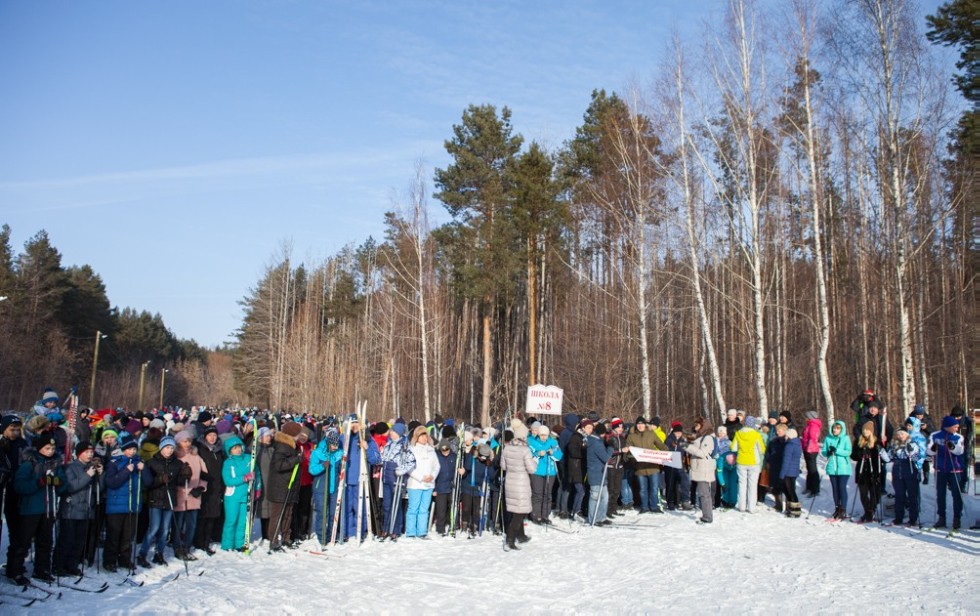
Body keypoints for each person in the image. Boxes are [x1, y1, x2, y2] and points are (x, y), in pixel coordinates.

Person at [6, 434, 69, 584]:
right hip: (30, 509)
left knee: (45, 542)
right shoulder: (30, 463)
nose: (50, 451)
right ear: (40, 448)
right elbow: (19, 486)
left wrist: (58, 483)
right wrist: (38, 482)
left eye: (53, 448)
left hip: (48, 509)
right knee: (23, 541)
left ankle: (42, 569)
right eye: (47, 448)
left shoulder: (55, 463)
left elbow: (63, 486)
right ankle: (15, 570)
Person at [138, 436, 190, 567]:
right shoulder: (152, 462)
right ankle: (142, 554)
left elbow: (178, 482)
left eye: (172, 448)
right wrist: (160, 479)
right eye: (167, 448)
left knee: (165, 530)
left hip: (169, 500)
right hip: (155, 499)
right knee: (154, 528)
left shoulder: (176, 463)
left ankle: (159, 553)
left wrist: (185, 475)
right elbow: (147, 484)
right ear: (161, 448)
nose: (170, 451)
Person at [54, 441, 102, 576]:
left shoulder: (91, 467)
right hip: (71, 509)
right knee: (66, 540)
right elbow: (71, 487)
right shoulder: (71, 467)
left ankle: (72, 565)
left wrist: (100, 475)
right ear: (79, 453)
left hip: (86, 510)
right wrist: (88, 476)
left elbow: (99, 490)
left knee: (79, 541)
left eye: (91, 452)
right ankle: (58, 565)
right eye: (86, 452)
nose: (89, 455)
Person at [102, 434, 142, 573]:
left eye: (134, 449)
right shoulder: (115, 462)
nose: (132, 452)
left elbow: (147, 481)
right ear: (123, 449)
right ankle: (109, 560)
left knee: (128, 536)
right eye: (129, 449)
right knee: (114, 535)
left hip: (131, 504)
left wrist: (143, 469)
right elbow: (111, 482)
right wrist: (126, 471)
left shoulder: (138, 462)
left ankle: (124, 559)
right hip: (116, 505)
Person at [341, 415, 381, 542]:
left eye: (357, 423)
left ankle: (360, 531)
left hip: (361, 480)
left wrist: (367, 448)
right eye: (352, 423)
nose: (354, 426)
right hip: (346, 480)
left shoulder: (368, 439)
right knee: (346, 508)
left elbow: (376, 459)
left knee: (361, 508)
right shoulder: (343, 439)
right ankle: (348, 532)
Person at [500, 420, 537, 551]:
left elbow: (503, 466)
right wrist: (535, 461)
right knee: (519, 513)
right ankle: (510, 540)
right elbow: (532, 469)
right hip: (521, 484)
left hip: (510, 482)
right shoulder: (525, 450)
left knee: (517, 510)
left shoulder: (507, 448)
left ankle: (521, 535)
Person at [173, 430, 207, 560]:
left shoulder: (196, 456)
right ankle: (177, 547)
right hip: (180, 495)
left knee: (191, 523)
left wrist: (201, 487)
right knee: (178, 523)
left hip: (194, 495)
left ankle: (186, 546)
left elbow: (204, 475)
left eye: (189, 441)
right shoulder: (176, 456)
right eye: (184, 441)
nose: (187, 444)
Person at [268, 422, 302, 550]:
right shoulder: (282, 446)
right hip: (280, 486)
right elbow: (279, 466)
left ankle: (286, 537)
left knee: (288, 513)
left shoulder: (292, 446)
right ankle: (274, 539)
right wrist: (296, 459)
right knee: (278, 514)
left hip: (290, 485)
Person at [0, 415, 27, 571]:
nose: (15, 433)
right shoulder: (2, 443)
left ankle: (14, 564)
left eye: (18, 430)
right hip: (4, 490)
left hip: (17, 491)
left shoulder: (22, 443)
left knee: (17, 530)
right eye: (12, 430)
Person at [378, 422, 413, 540]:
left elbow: (412, 461)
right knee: (386, 505)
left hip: (396, 478)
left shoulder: (405, 445)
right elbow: (382, 457)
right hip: (386, 477)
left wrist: (402, 470)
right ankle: (386, 528)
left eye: (393, 431)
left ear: (398, 433)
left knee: (396, 505)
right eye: (391, 431)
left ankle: (396, 529)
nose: (391, 433)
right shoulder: (388, 444)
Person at [929, 415, 965, 529]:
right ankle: (941, 517)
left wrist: (952, 447)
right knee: (940, 494)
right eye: (955, 426)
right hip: (940, 469)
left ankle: (957, 518)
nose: (957, 428)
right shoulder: (935, 435)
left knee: (956, 494)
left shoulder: (958, 437)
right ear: (947, 426)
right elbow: (929, 451)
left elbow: (960, 451)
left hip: (955, 469)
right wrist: (933, 449)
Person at [193, 426, 225, 555]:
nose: (212, 438)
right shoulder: (200, 449)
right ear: (205, 436)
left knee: (212, 516)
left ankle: (206, 541)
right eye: (210, 435)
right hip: (204, 486)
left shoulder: (219, 451)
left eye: (214, 435)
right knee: (203, 516)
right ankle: (199, 541)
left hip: (217, 487)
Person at [309, 428, 343, 545]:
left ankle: (331, 534)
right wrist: (322, 466)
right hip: (321, 488)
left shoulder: (339, 454)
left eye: (337, 444)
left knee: (333, 513)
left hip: (334, 488)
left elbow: (341, 471)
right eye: (333, 445)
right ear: (328, 443)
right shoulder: (317, 453)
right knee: (322, 513)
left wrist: (345, 463)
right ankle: (321, 535)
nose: (335, 447)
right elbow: (312, 470)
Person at [625, 416, 666, 514]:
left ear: (645, 425)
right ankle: (644, 507)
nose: (640, 426)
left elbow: (660, 444)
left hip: (653, 467)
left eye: (642, 424)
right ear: (636, 425)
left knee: (654, 487)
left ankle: (654, 506)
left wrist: (667, 452)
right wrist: (633, 458)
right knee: (642, 489)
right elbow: (628, 450)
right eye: (638, 424)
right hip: (640, 468)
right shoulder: (631, 436)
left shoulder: (651, 434)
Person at [220, 435, 254, 551]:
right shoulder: (228, 463)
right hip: (232, 496)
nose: (238, 450)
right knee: (231, 520)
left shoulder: (248, 458)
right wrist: (244, 478)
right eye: (234, 448)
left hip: (246, 495)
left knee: (242, 521)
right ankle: (227, 544)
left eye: (239, 447)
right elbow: (228, 480)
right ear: (230, 450)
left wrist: (258, 487)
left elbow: (256, 473)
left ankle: (239, 543)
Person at [405, 426, 439, 539]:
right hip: (415, 484)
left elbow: (436, 466)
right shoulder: (411, 449)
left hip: (429, 484)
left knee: (424, 509)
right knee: (413, 508)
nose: (424, 438)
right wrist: (421, 477)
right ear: (416, 436)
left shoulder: (431, 449)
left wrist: (432, 476)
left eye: (425, 435)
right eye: (421, 435)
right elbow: (409, 467)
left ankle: (422, 532)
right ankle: (410, 532)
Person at [683, 418, 716, 524]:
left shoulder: (708, 438)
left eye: (698, 425)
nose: (695, 427)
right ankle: (706, 514)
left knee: (704, 493)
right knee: (702, 493)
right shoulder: (700, 437)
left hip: (704, 469)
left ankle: (707, 516)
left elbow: (702, 453)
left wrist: (688, 447)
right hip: (699, 469)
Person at [528, 424, 562, 524]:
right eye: (542, 435)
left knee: (547, 494)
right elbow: (528, 455)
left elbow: (559, 456)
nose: (544, 437)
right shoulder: (532, 442)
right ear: (538, 434)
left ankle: (545, 515)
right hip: (537, 471)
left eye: (545, 435)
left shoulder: (553, 442)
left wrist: (553, 453)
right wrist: (537, 454)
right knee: (537, 494)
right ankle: (536, 515)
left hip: (550, 472)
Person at [730, 416, 766, 514]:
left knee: (742, 484)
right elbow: (762, 450)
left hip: (741, 461)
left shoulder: (738, 433)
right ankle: (751, 507)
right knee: (752, 485)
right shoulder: (756, 434)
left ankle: (741, 506)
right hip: (754, 462)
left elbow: (733, 448)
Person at [851, 422, 884, 523]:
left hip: (873, 470)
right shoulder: (858, 441)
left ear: (871, 431)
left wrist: (878, 451)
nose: (865, 432)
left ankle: (872, 510)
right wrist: (860, 454)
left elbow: (882, 457)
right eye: (864, 430)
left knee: (874, 492)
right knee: (863, 494)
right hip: (862, 471)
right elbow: (853, 456)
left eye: (867, 430)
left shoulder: (876, 442)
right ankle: (867, 511)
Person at [888, 429, 921, 526]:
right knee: (899, 496)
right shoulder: (894, 445)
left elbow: (916, 458)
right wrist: (882, 452)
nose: (900, 436)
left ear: (907, 435)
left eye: (902, 434)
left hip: (910, 472)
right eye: (899, 434)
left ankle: (913, 518)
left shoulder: (912, 444)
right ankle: (898, 517)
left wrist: (910, 452)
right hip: (897, 472)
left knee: (912, 496)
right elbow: (888, 458)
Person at [821, 420, 852, 520]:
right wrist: (828, 453)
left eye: (838, 428)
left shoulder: (845, 438)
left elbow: (848, 451)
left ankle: (843, 509)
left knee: (841, 487)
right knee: (835, 488)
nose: (835, 430)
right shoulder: (828, 438)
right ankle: (837, 507)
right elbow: (824, 451)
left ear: (841, 429)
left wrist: (837, 450)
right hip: (832, 467)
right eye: (834, 428)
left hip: (843, 467)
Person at [459, 443, 492, 536]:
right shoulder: (472, 458)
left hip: (478, 488)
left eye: (485, 457)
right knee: (466, 507)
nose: (483, 459)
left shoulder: (486, 463)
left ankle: (475, 526)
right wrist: (471, 457)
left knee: (476, 509)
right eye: (481, 456)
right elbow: (467, 467)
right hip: (467, 486)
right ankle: (465, 525)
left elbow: (490, 473)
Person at [585, 421, 612, 525]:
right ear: (602, 433)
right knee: (595, 498)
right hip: (596, 475)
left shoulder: (596, 441)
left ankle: (601, 517)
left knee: (604, 497)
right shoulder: (596, 443)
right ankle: (593, 519)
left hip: (601, 475)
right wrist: (610, 447)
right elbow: (606, 458)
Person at [564, 418, 588, 520]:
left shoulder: (584, 437)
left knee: (581, 490)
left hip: (581, 468)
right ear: (582, 427)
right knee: (580, 490)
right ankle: (575, 511)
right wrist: (584, 452)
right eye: (588, 427)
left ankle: (577, 509)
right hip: (575, 467)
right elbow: (572, 451)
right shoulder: (576, 436)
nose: (590, 429)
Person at [432, 439, 457, 536]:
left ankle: (451, 525)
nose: (445, 452)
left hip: (451, 487)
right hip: (440, 487)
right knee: (441, 509)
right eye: (443, 451)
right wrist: (434, 489)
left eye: (447, 450)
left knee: (450, 508)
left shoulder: (454, 457)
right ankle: (440, 528)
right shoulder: (436, 457)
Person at [603, 418, 626, 517]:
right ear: (615, 427)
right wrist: (621, 450)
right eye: (619, 427)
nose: (621, 429)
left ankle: (613, 508)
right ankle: (607, 510)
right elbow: (609, 451)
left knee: (617, 489)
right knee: (610, 489)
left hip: (619, 465)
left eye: (622, 427)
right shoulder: (609, 437)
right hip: (611, 465)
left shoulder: (622, 437)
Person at [779, 428, 803, 518]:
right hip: (794, 471)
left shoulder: (789, 446)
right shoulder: (797, 444)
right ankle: (792, 509)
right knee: (791, 490)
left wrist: (782, 473)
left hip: (788, 471)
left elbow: (786, 461)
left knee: (789, 491)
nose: (785, 437)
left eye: (786, 435)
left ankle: (795, 510)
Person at [766, 423, 788, 512]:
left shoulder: (787, 441)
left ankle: (787, 506)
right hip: (774, 465)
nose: (778, 432)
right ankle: (778, 504)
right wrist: (768, 460)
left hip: (783, 465)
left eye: (780, 431)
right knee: (775, 485)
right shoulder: (773, 441)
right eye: (777, 431)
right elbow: (768, 452)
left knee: (785, 486)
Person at [801, 411, 823, 497]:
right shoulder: (809, 424)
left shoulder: (813, 425)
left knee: (812, 469)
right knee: (809, 469)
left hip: (811, 450)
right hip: (807, 448)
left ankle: (815, 489)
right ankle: (809, 487)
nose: (805, 418)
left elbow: (813, 438)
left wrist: (809, 448)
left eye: (807, 416)